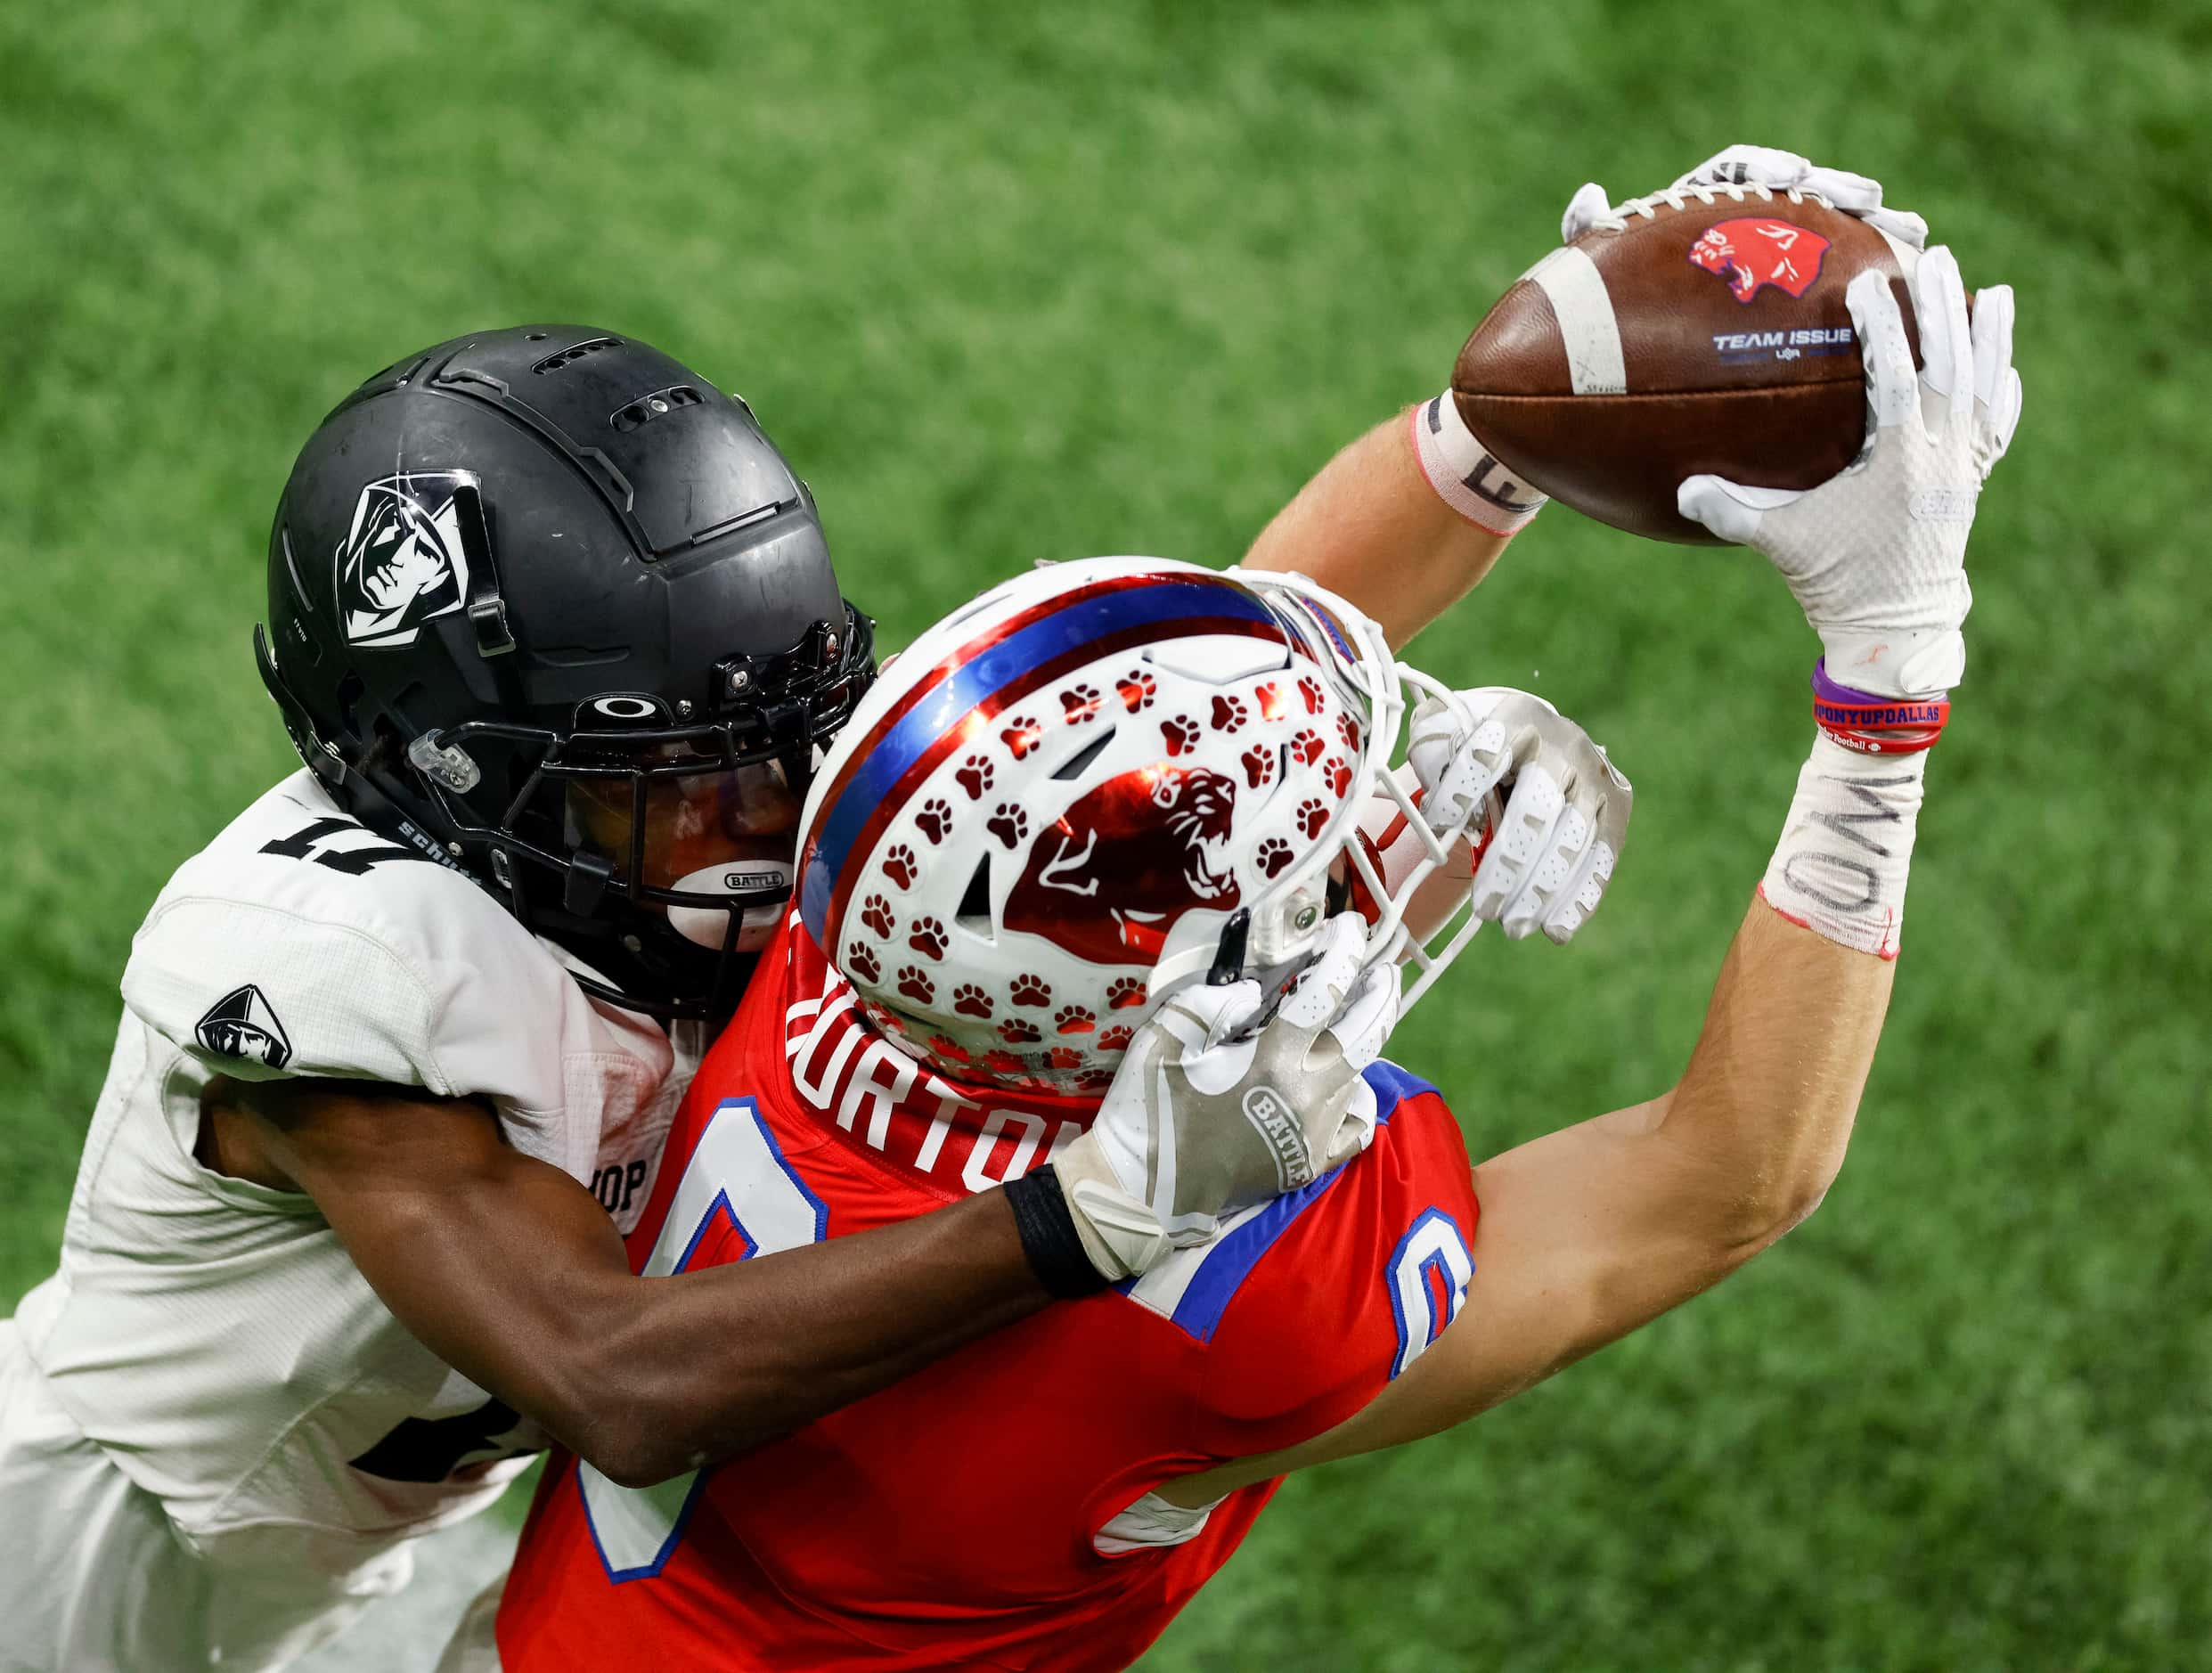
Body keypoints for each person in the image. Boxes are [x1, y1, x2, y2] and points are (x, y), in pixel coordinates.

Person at [469, 187, 2020, 1669]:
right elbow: (1719, 1185)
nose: (1357, 819)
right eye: (1320, 842)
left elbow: (1180, 683)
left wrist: (1528, 413)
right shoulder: (1236, 1303)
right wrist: (1888, 678)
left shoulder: (864, 930)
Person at [0, 329, 1461, 1672]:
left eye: (781, 737)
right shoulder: (336, 970)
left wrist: (1480, 462)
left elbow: (1136, 741)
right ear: (455, 774)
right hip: (104, 1541)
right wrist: (1085, 1214)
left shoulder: (667, 852)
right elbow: (609, 1373)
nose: (768, 814)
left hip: (410, 1534)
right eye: (679, 777)